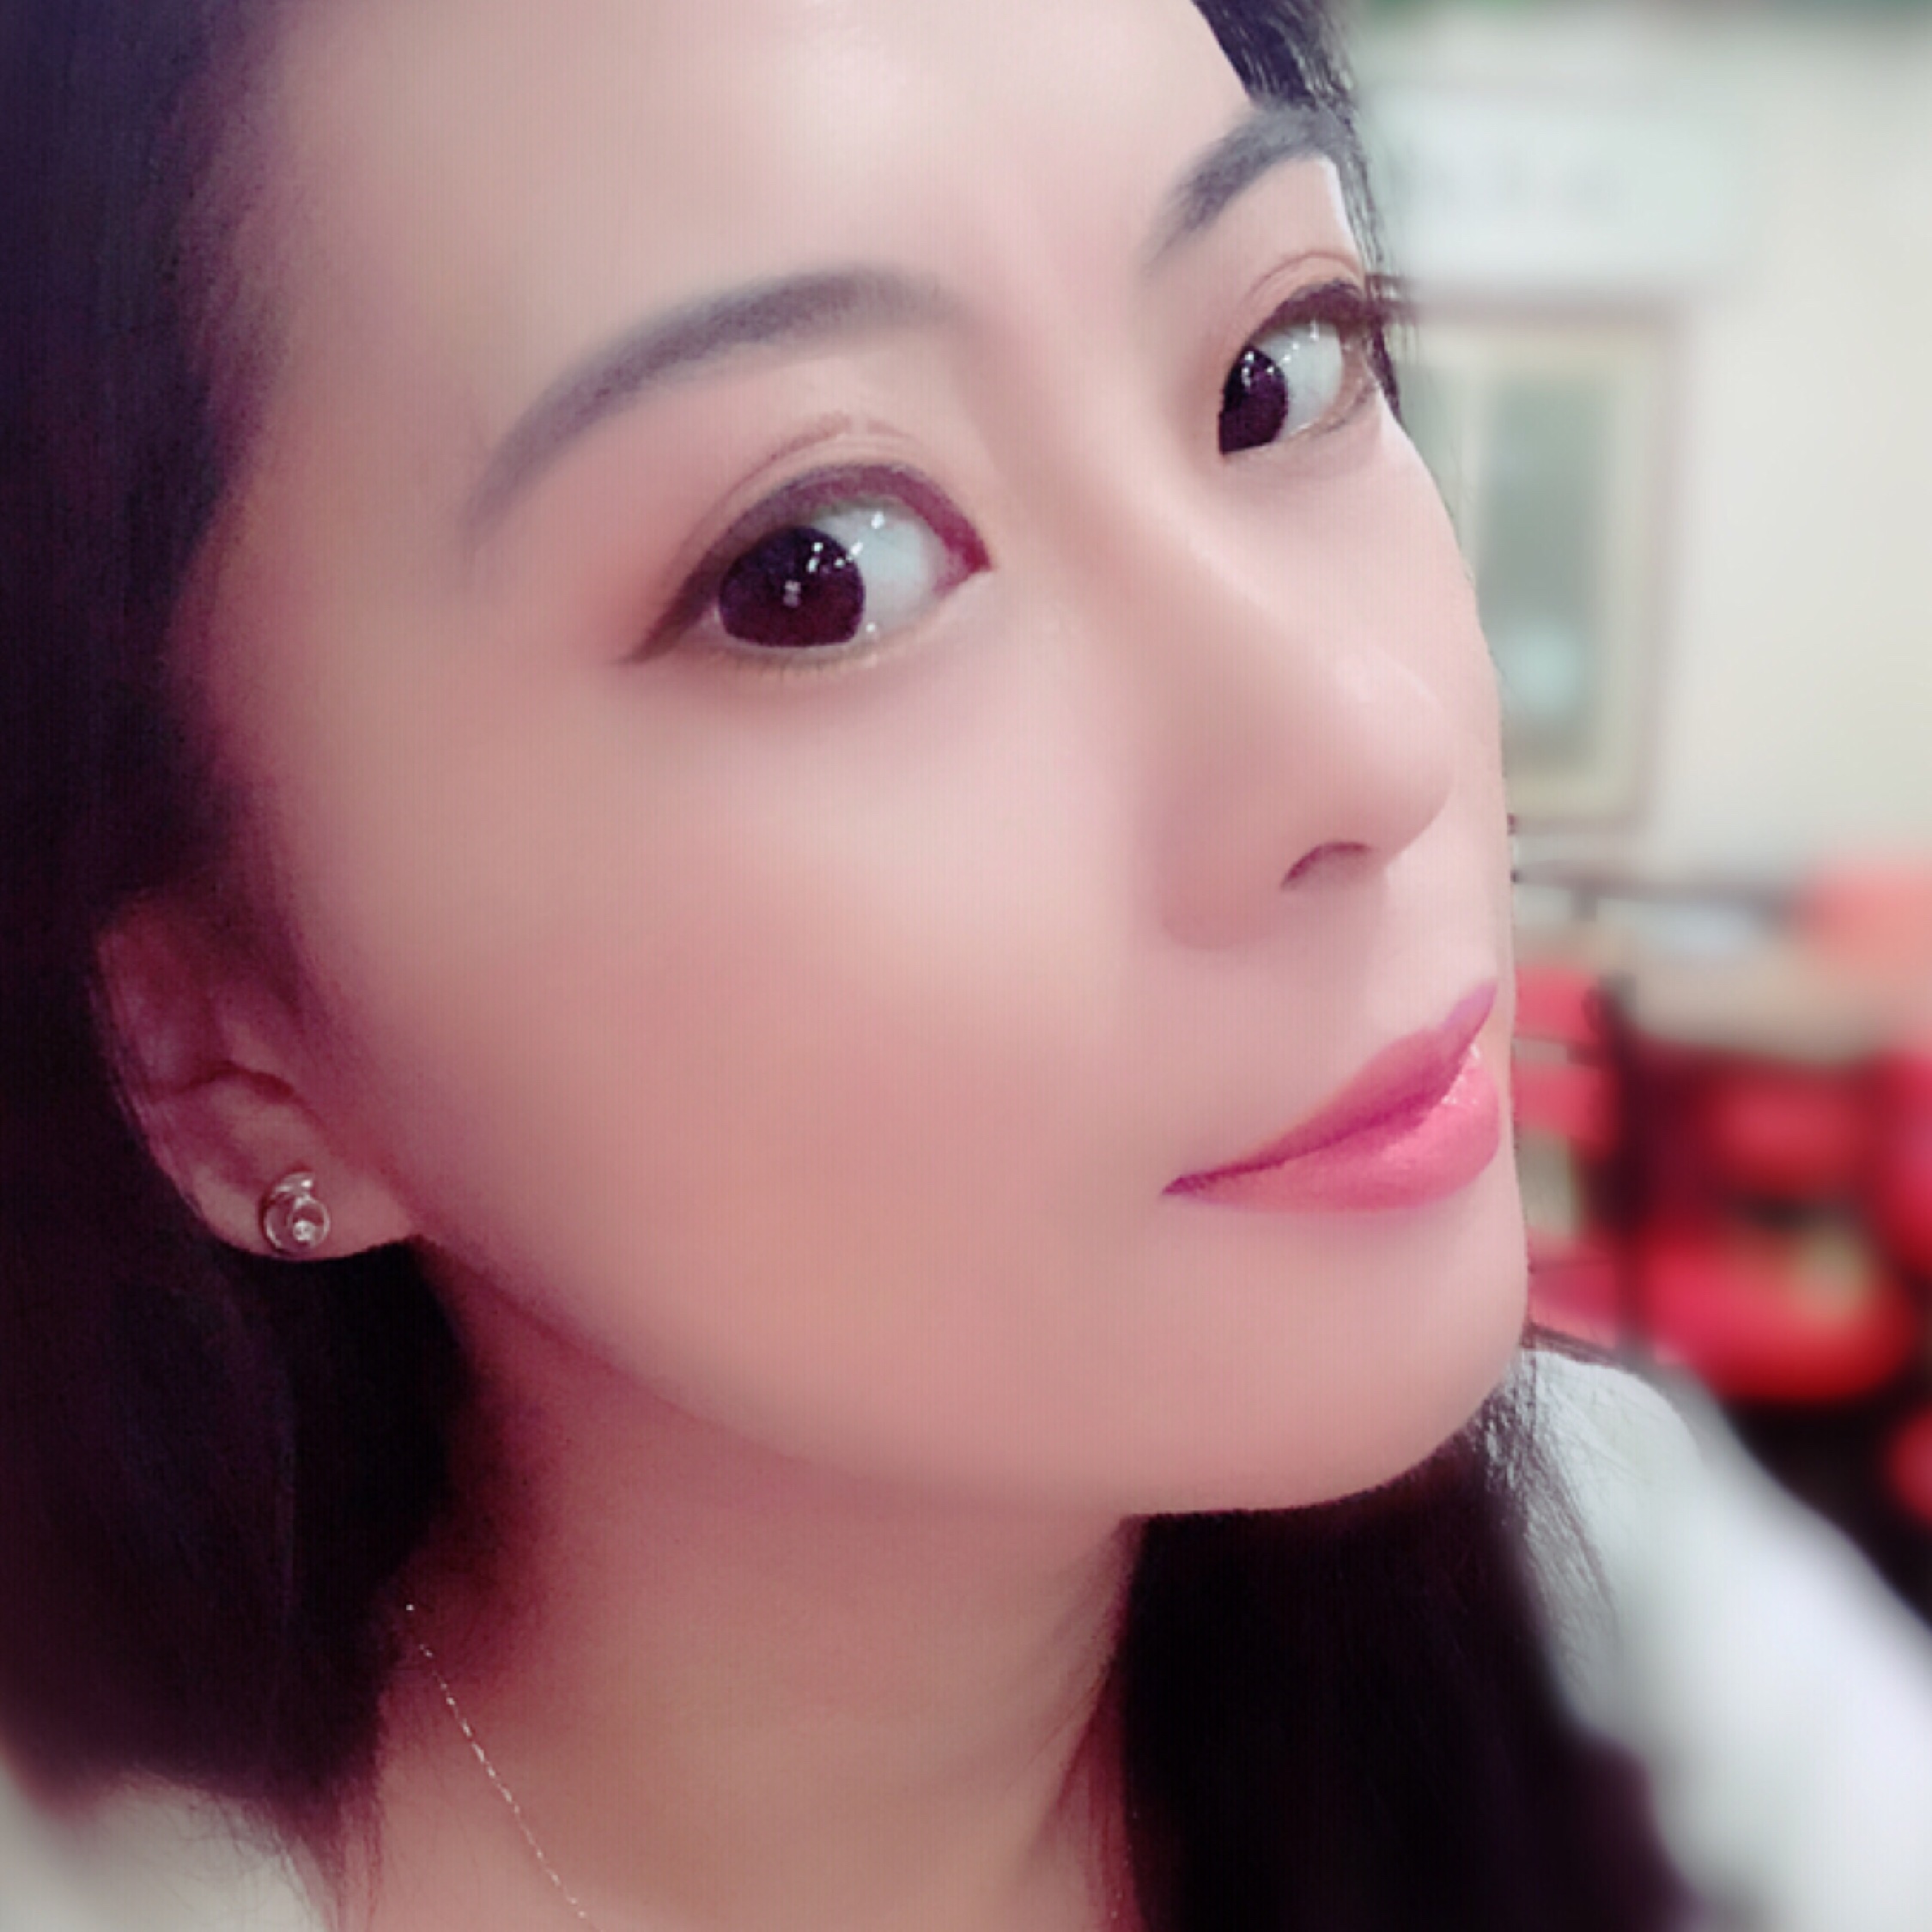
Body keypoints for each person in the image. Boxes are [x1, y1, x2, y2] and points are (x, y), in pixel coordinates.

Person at [0, 0, 1733, 1926]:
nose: (1365, 747)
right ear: (224, 1057)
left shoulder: (1642, 1615)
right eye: (811, 573)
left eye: (1276, 373)